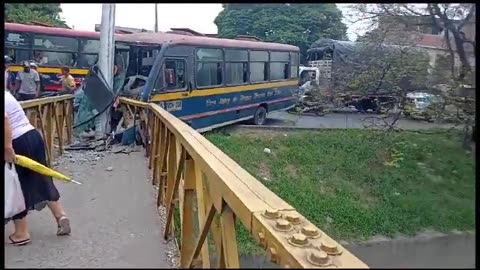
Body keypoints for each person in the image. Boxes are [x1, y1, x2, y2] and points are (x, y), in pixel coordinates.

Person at [4, 89, 71, 246]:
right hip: (32, 135)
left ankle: (21, 232)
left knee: (14, 186)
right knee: (42, 176)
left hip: (16, 141)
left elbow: (4, 120)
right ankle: (60, 216)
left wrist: (7, 147)